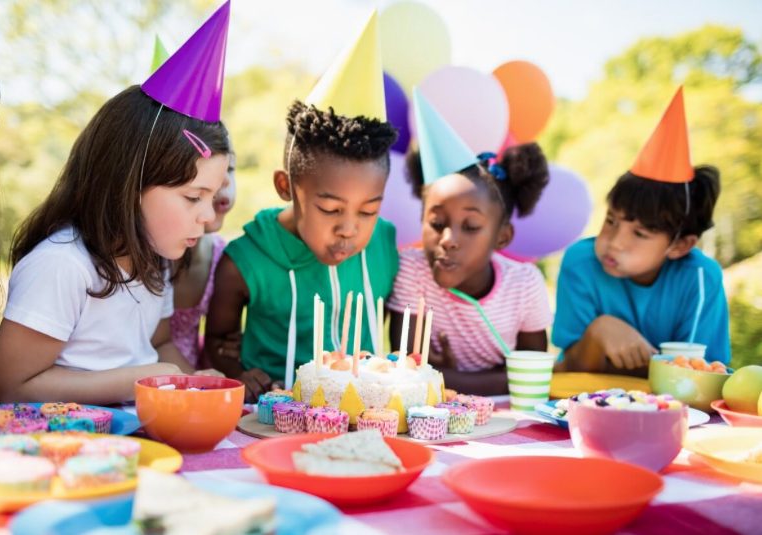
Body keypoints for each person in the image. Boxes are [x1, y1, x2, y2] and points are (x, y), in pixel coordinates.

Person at [0, 3, 233, 403]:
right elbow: (12, 387)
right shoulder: (63, 265)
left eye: (213, 196)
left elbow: (160, 346)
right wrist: (140, 379)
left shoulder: (156, 260)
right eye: (193, 197)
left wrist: (194, 383)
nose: (208, 217)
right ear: (128, 184)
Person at [204, 12, 399, 402]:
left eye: (368, 211)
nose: (350, 229)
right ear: (285, 186)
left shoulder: (386, 246)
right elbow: (217, 344)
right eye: (330, 209)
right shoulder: (244, 262)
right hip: (273, 421)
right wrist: (239, 374)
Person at [553, 87, 730, 375]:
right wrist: (598, 332)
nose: (614, 242)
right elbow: (569, 369)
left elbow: (700, 376)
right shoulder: (580, 262)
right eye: (611, 220)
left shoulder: (699, 277)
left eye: (640, 233)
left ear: (680, 245)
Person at [388, 90, 552, 395]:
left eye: (471, 226)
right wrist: (495, 376)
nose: (448, 240)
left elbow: (532, 379)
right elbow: (405, 374)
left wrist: (441, 376)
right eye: (436, 224)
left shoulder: (524, 284)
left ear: (502, 237)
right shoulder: (413, 271)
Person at [170, 147, 236, 368]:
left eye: (231, 168)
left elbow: (219, 342)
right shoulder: (141, 257)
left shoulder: (223, 259)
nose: (225, 181)